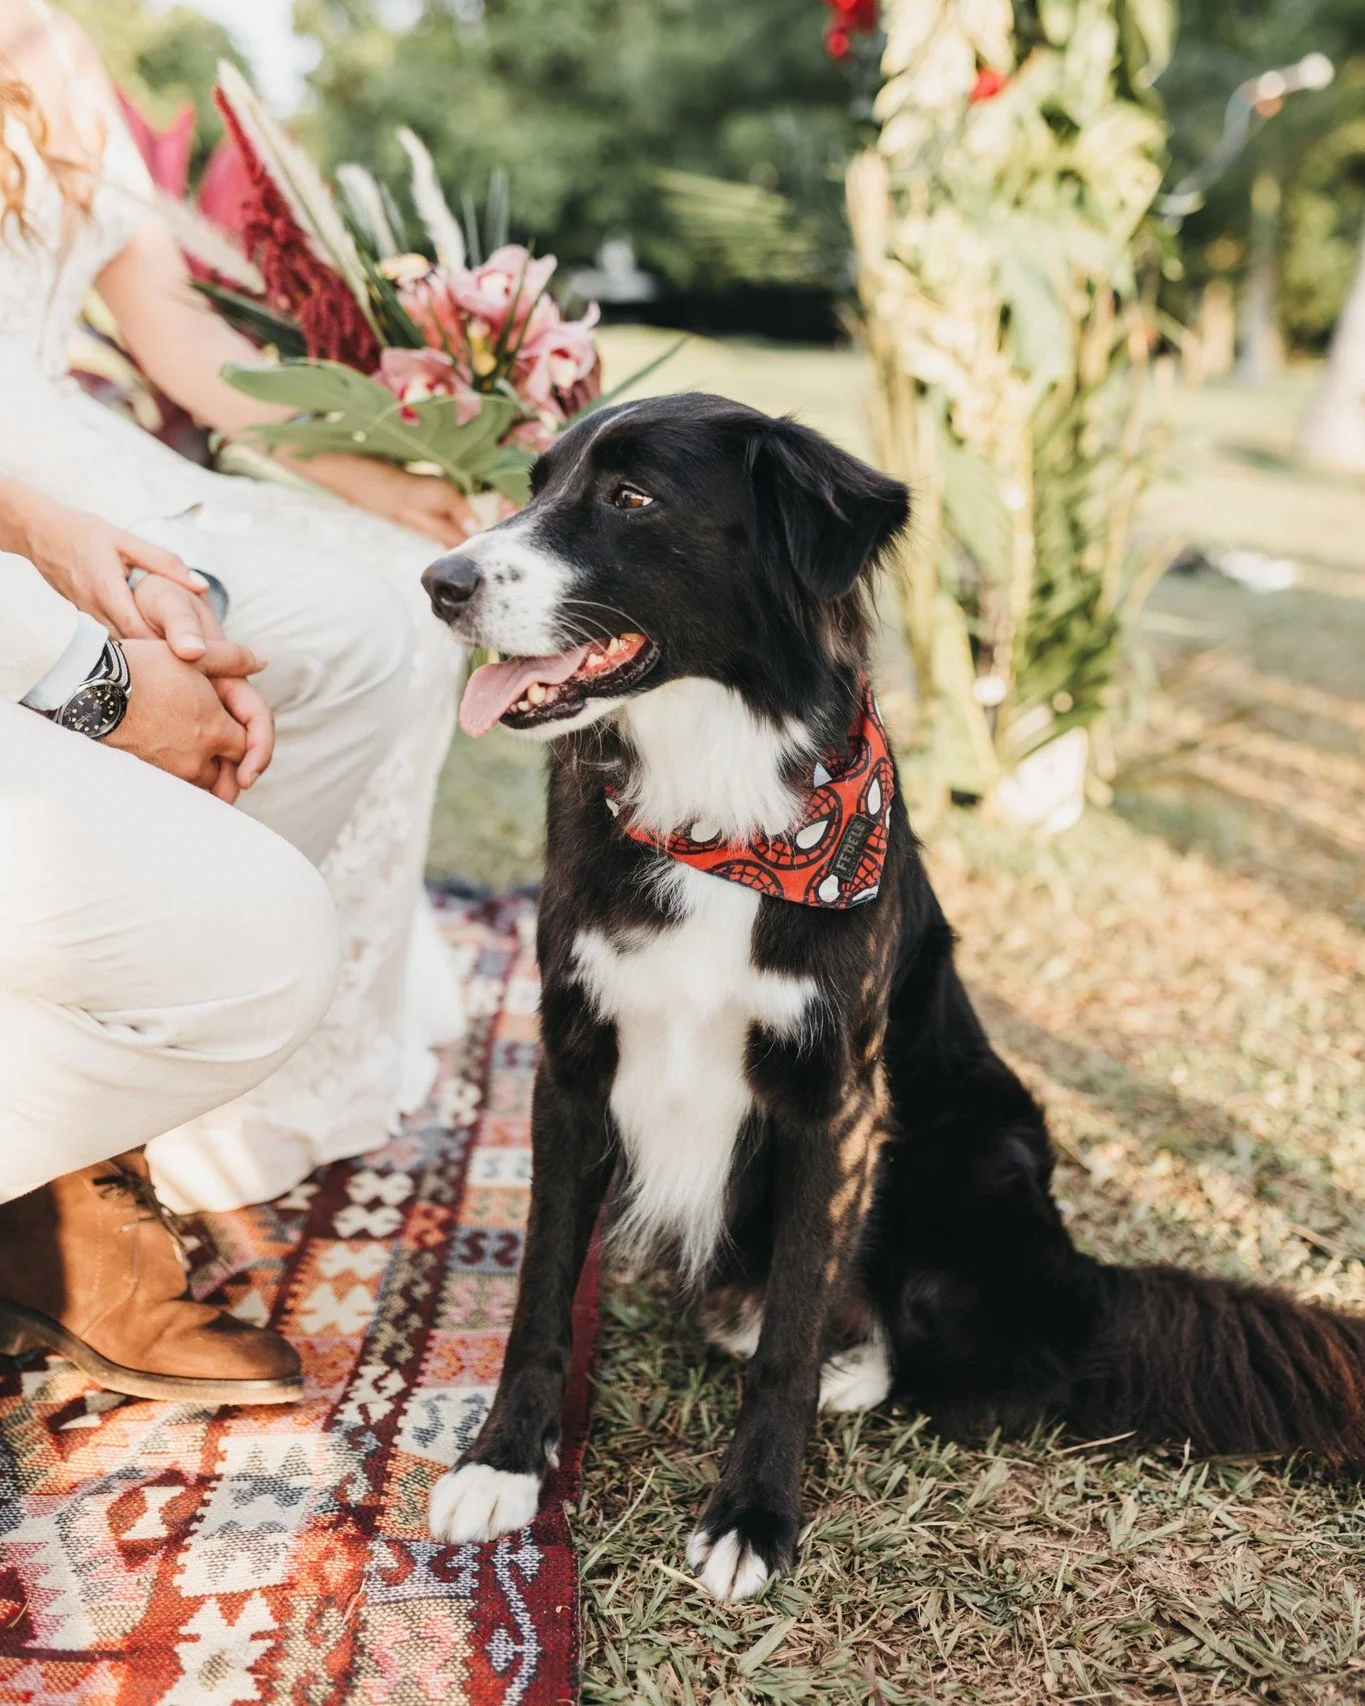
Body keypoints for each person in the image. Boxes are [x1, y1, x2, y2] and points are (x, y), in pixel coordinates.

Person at [0, 0, 483, 1218]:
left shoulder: (52, 51)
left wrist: (379, 475)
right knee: (200, 649)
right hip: (27, 507)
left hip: (96, 465)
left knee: (390, 590)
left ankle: (243, 1054)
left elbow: (174, 329)